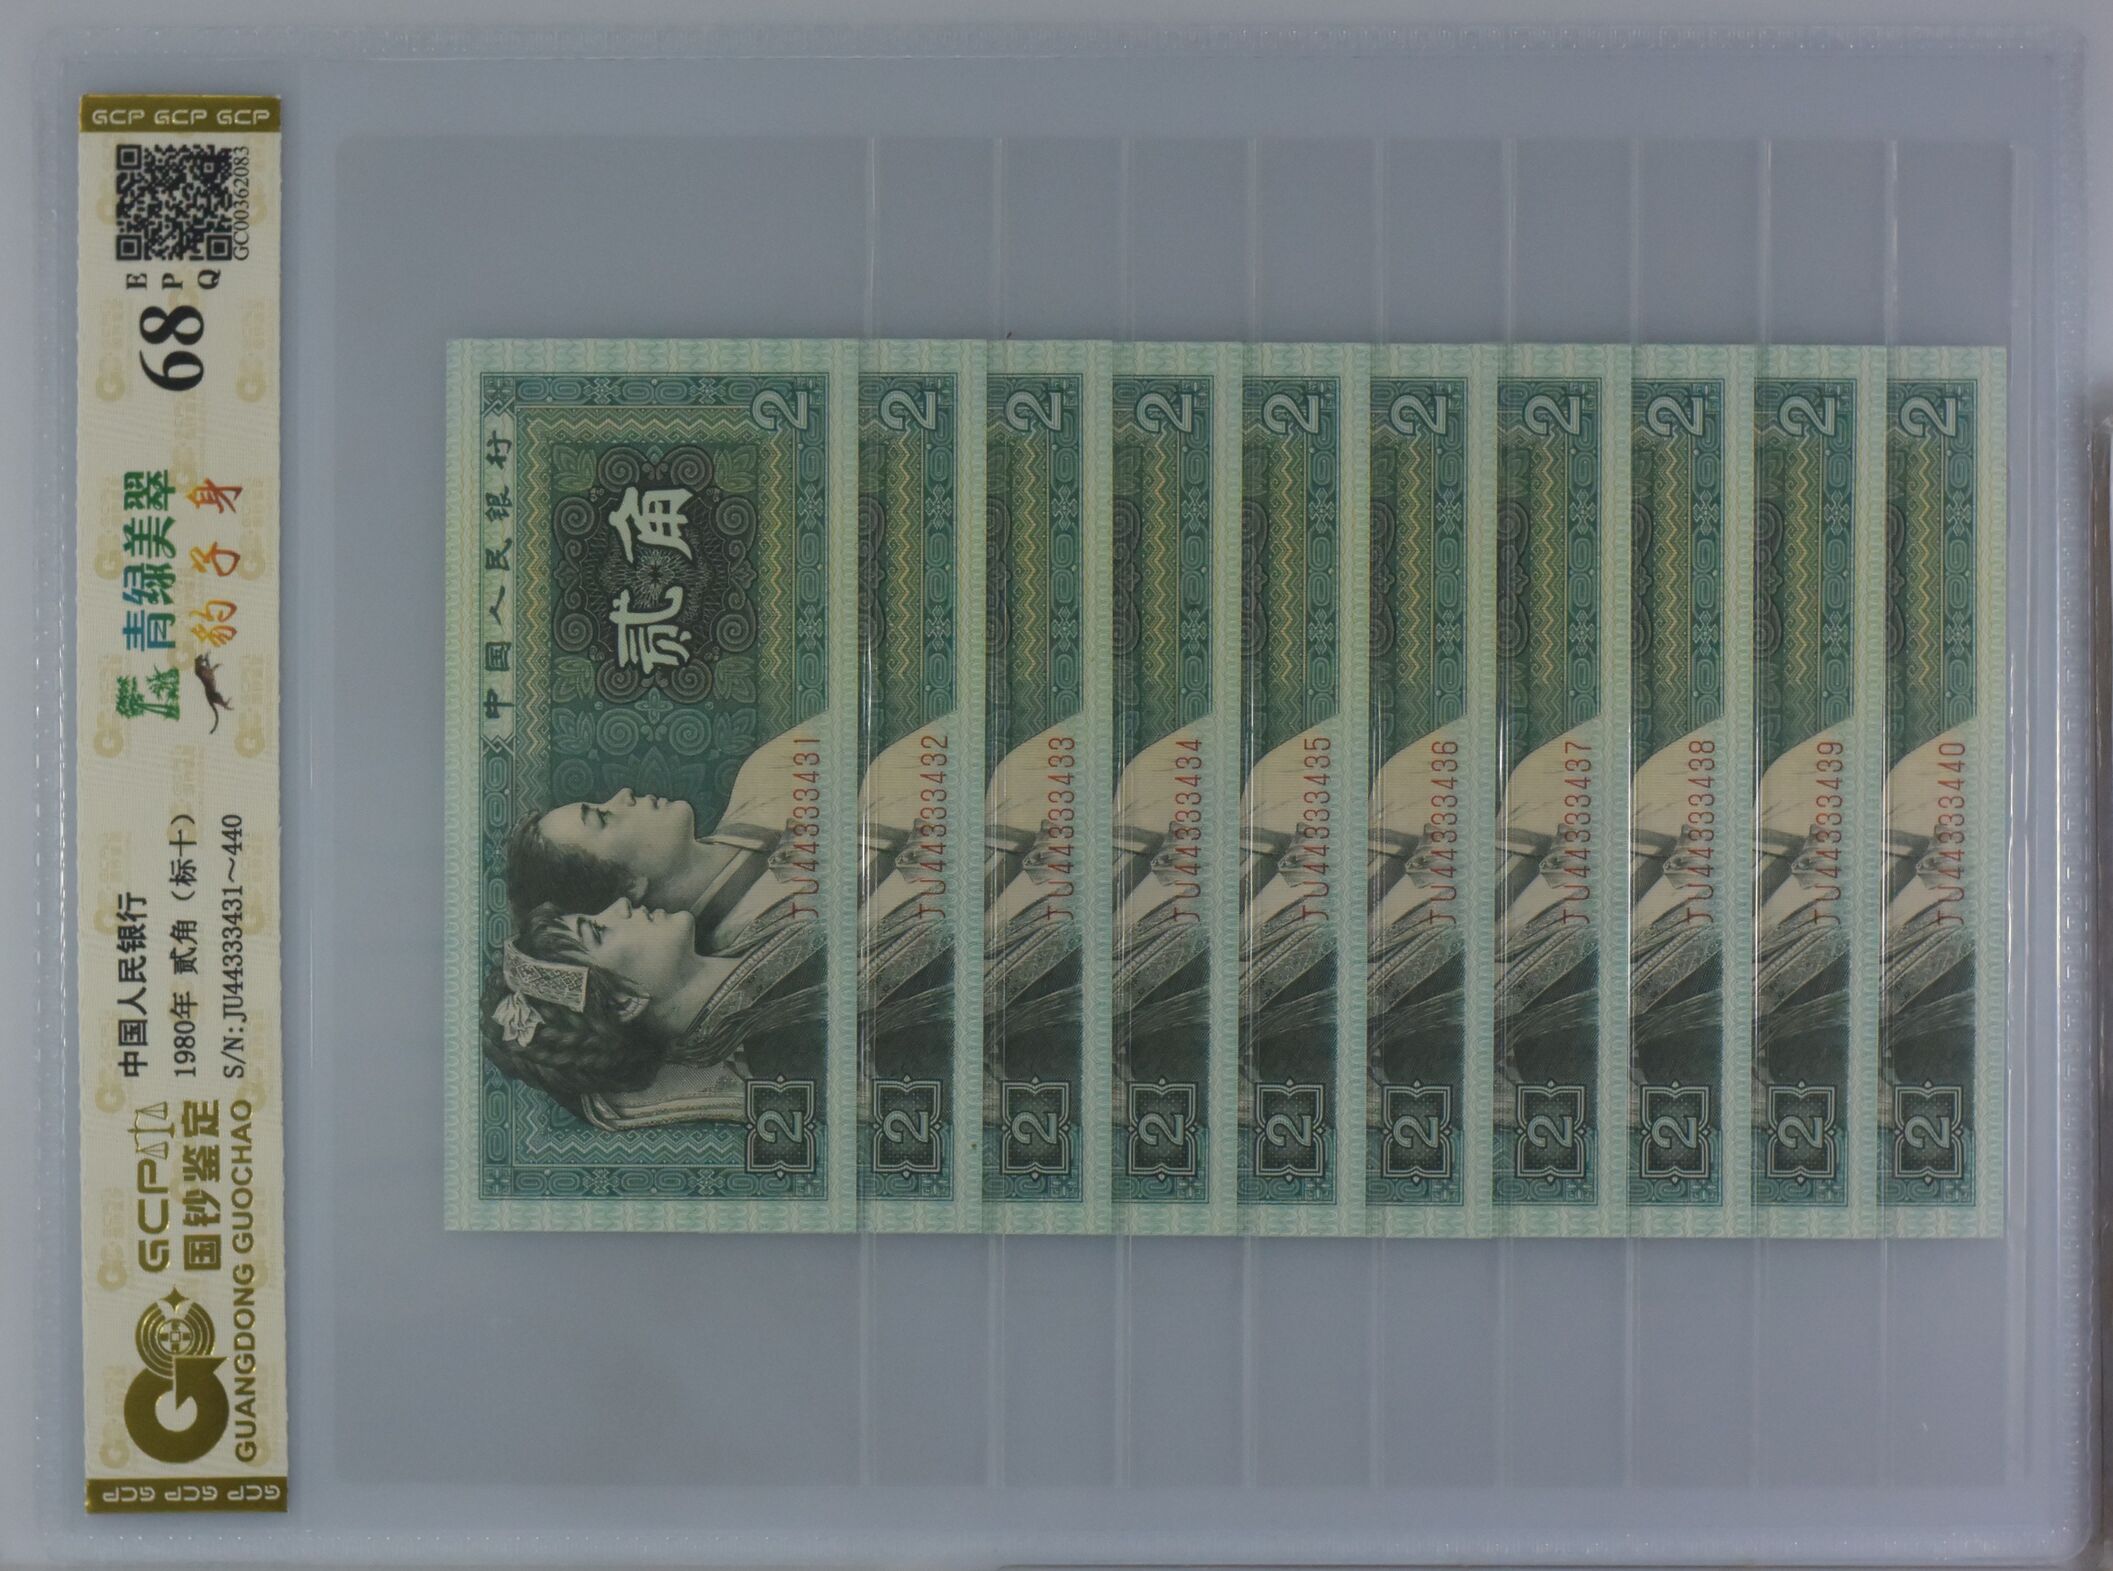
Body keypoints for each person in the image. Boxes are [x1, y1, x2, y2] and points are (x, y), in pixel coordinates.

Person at [479, 895, 824, 1108]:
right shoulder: (789, 1049)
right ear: (623, 1002)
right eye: (599, 931)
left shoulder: (742, 929)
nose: (620, 905)